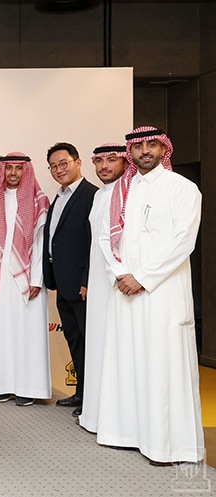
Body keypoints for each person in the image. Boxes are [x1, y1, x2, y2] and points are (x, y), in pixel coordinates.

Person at [96, 127, 203, 465]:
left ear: (163, 149)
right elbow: (105, 238)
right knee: (127, 360)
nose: (144, 151)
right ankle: (126, 434)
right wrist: (121, 273)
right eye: (138, 146)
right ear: (130, 152)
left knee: (161, 364)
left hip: (163, 293)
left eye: (151, 145)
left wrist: (142, 278)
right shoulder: (121, 191)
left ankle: (166, 446)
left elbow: (184, 242)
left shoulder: (182, 188)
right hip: (125, 290)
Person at [0, 153, 50, 407]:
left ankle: (29, 388)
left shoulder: (39, 201)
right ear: (2, 171)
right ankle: (2, 385)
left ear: (27, 171)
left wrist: (36, 278)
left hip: (28, 277)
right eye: (9, 168)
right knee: (1, 332)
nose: (14, 173)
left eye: (19, 168)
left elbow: (41, 243)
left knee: (28, 333)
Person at [42, 142, 98, 417]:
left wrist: (87, 280)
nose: (59, 170)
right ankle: (81, 392)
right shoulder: (60, 196)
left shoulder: (91, 195)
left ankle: (93, 401)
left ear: (78, 162)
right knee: (75, 340)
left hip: (82, 285)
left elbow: (94, 242)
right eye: (53, 166)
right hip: (63, 283)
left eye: (63, 163)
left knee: (89, 342)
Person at [80, 143, 126, 433]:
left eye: (111, 160)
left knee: (116, 348)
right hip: (98, 283)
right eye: (99, 161)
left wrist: (120, 275)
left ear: (125, 162)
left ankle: (115, 419)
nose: (104, 166)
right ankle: (95, 415)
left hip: (119, 283)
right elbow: (95, 243)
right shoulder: (99, 195)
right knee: (97, 344)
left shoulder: (129, 193)